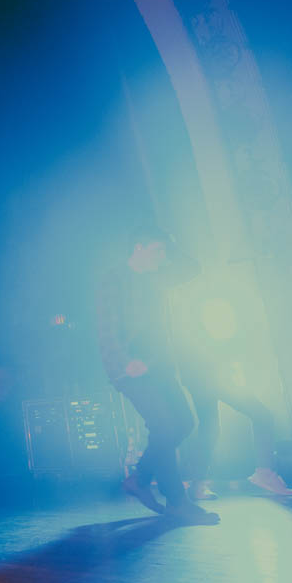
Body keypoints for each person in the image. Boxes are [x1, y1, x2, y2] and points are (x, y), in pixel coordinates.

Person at [96, 225, 219, 525]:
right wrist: (125, 361)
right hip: (130, 368)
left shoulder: (157, 277)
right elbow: (107, 329)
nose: (163, 257)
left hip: (159, 364)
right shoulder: (114, 279)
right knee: (164, 427)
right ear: (138, 248)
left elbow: (192, 268)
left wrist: (170, 244)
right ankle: (177, 501)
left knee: (184, 423)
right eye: (158, 250)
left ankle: (140, 478)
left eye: (165, 251)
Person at [177, 352, 292, 500]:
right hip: (208, 372)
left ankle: (197, 485)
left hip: (197, 372)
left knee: (210, 427)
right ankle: (264, 472)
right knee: (261, 414)